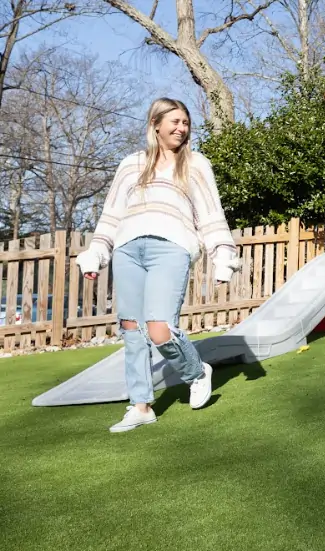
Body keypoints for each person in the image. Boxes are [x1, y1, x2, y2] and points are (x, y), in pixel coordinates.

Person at [76, 98, 240, 433]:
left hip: (172, 247)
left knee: (160, 327)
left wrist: (222, 255)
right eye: (175, 121)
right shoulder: (131, 164)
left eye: (185, 123)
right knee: (132, 330)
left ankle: (196, 373)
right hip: (127, 249)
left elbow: (210, 215)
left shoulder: (195, 164)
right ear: (155, 123)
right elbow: (111, 215)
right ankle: (141, 406)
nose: (182, 128)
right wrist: (96, 252)